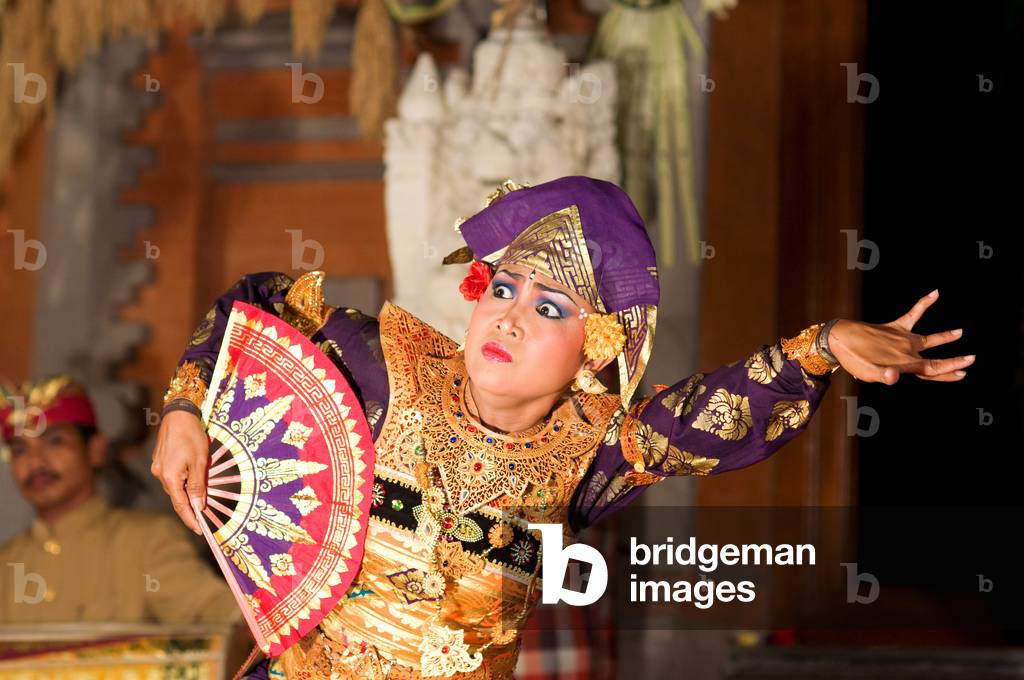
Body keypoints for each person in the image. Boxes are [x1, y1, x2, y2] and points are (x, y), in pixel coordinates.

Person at [152, 176, 973, 678]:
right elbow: (256, 303)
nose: (507, 317)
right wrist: (185, 410)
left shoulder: (597, 451)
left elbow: (725, 406)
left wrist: (822, 345)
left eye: (549, 308)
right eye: (502, 289)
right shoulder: (379, 365)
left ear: (594, 353)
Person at [0, 375, 241, 626]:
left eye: (55, 442)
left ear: (95, 450)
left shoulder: (147, 542)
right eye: (19, 450)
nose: (35, 462)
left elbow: (220, 615)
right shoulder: (6, 563)